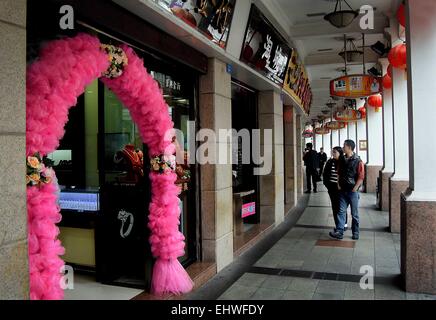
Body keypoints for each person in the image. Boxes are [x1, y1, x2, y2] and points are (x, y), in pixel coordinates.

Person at [329, 140, 365, 240]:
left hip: (352, 192)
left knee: (354, 214)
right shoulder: (342, 159)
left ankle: (355, 232)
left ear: (349, 147)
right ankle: (339, 232)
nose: (343, 147)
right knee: (341, 212)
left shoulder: (358, 161)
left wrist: (355, 188)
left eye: (344, 146)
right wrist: (338, 184)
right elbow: (338, 172)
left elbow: (361, 176)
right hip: (342, 191)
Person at [323, 147, 348, 232]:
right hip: (332, 188)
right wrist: (328, 185)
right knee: (335, 207)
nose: (333, 154)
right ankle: (338, 225)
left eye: (335, 152)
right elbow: (325, 174)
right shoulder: (330, 162)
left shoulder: (344, 162)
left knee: (342, 207)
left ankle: (344, 224)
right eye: (332, 152)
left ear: (340, 153)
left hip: (342, 188)